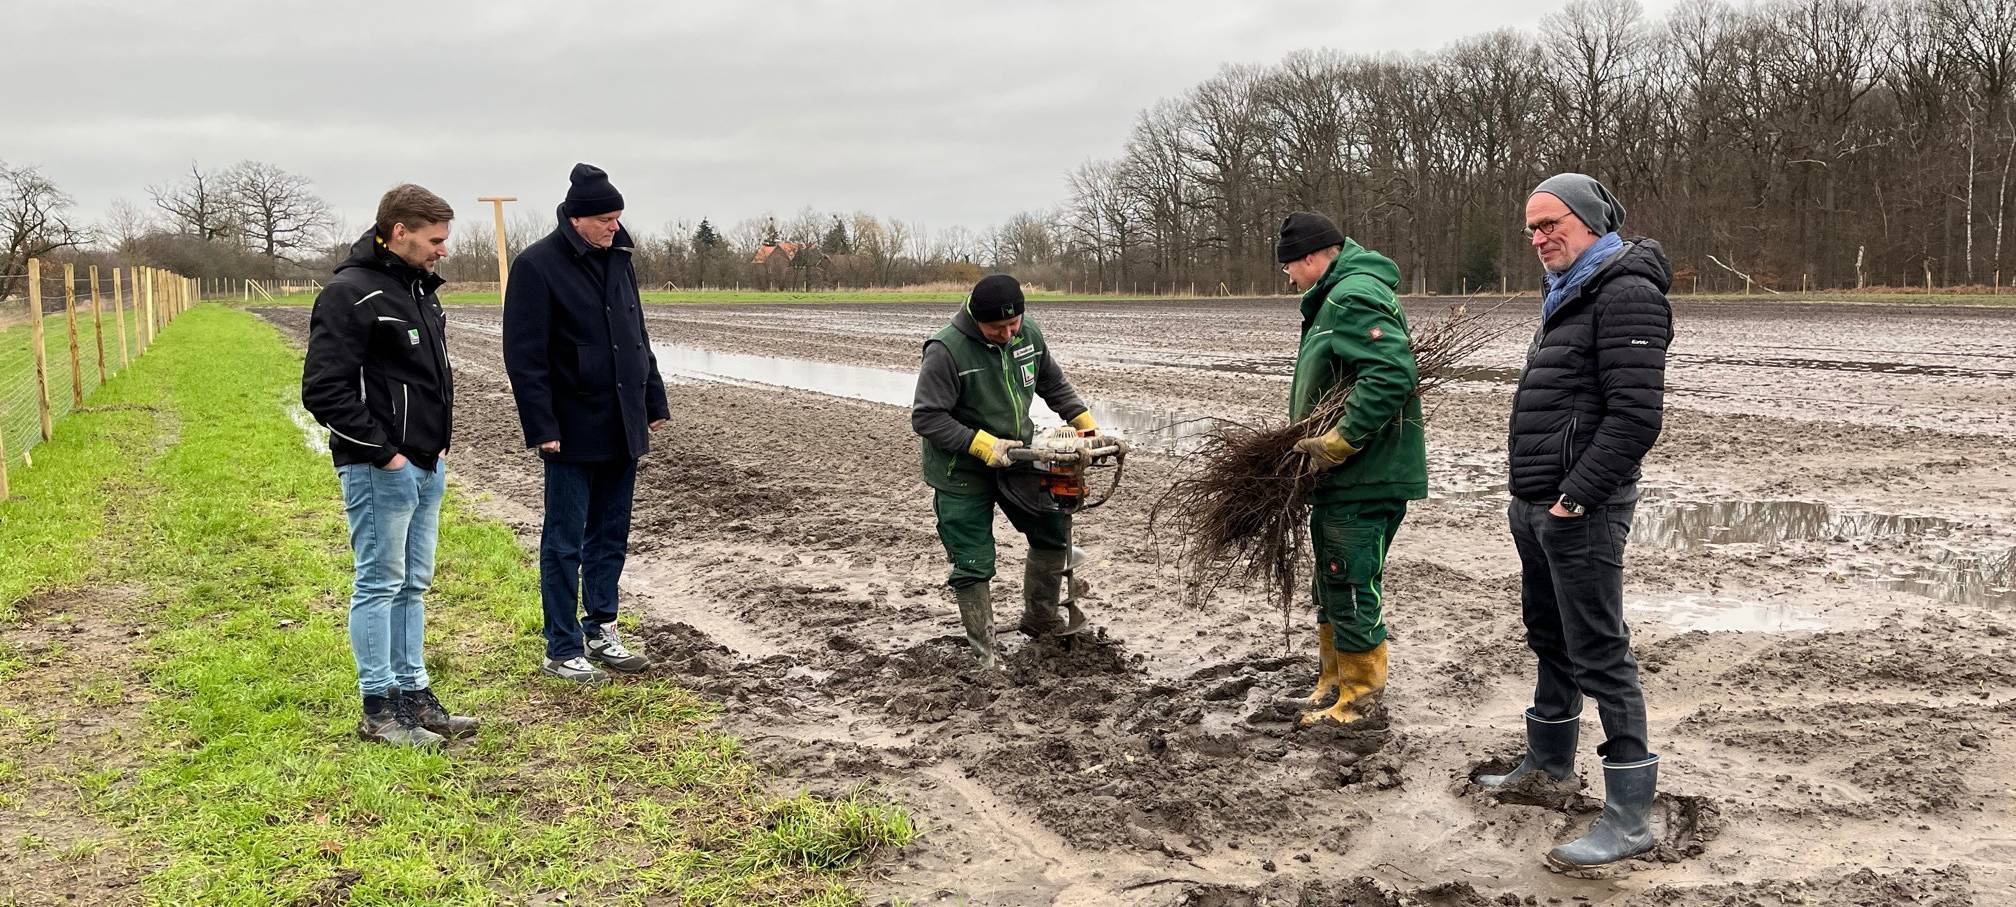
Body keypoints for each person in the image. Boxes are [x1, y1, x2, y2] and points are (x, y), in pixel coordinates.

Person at [1476, 173, 1673, 871]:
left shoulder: (1626, 293)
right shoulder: (1567, 293)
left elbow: (1634, 419)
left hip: (1580, 507)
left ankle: (1628, 817)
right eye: (1531, 228)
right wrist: (1530, 502)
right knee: (1549, 632)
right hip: (1537, 504)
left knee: (1600, 651)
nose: (1539, 238)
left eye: (1550, 223)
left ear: (1590, 221)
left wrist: (1573, 500)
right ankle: (1550, 763)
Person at [302, 184, 478, 748]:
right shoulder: (350, 294)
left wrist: (434, 447)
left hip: (427, 464)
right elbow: (324, 390)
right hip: (380, 468)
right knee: (379, 583)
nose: (442, 251)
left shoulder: (419, 291)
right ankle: (378, 709)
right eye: (434, 240)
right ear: (398, 231)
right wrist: (387, 452)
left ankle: (413, 694)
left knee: (413, 584)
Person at [503, 163, 669, 685]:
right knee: (564, 539)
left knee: (610, 534)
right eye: (605, 219)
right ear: (577, 219)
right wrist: (542, 426)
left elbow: (636, 333)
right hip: (571, 427)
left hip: (622, 422)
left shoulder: (621, 259)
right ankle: (561, 644)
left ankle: (601, 626)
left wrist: (652, 400)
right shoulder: (537, 266)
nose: (614, 226)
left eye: (618, 217)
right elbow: (524, 356)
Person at [1276, 211, 1427, 727]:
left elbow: (1391, 372)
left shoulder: (1352, 294)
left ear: (1313, 257)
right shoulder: (1336, 295)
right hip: (1345, 477)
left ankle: (1359, 698)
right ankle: (1335, 680)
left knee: (1349, 578)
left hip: (1364, 474)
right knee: (1332, 580)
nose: (1289, 278)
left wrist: (1342, 441)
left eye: (1289, 268)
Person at [911, 274, 1103, 669]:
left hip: (1017, 457)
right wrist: (981, 444)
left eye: (1014, 323)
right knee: (973, 560)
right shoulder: (946, 350)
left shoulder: (1026, 334)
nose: (1008, 333)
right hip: (960, 468)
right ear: (974, 318)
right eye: (998, 328)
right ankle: (985, 655)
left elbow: (1052, 382)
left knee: (1052, 532)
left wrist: (1083, 421)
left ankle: (1041, 623)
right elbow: (927, 418)